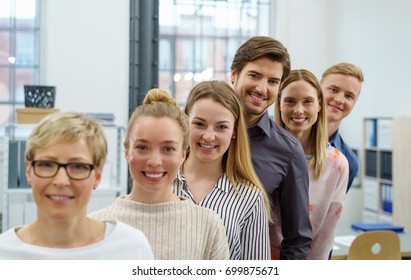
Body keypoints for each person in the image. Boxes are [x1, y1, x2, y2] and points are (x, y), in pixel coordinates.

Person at [90, 88, 230, 260]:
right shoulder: (96, 225)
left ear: (183, 155)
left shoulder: (208, 226)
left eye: (168, 149)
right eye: (142, 147)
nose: (154, 161)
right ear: (126, 151)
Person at [0, 111, 154, 260]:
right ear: (29, 171)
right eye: (47, 164)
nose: (61, 181)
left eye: (78, 167)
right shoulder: (4, 253)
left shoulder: (133, 249)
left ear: (97, 176)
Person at [230, 35, 313, 260]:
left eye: (273, 81)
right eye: (254, 75)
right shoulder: (200, 136)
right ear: (234, 74)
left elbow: (298, 239)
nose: (261, 88)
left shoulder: (288, 151)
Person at [173, 80, 271, 260]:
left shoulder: (250, 199)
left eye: (221, 127)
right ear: (185, 122)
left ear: (234, 131)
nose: (209, 136)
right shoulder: (160, 182)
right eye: (199, 124)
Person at [274, 69, 349, 259]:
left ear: (319, 106)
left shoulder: (337, 164)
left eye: (307, 101)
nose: (298, 110)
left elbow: (325, 237)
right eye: (290, 101)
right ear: (280, 105)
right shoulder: (264, 155)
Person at [320, 62, 364, 192]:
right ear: (317, 89)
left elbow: (333, 210)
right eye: (334, 90)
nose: (339, 99)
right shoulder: (280, 130)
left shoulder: (348, 162)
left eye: (349, 96)